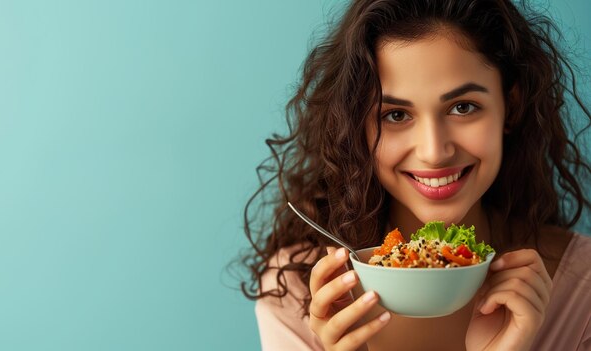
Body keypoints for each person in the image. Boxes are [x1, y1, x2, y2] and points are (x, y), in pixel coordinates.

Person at [237, 0, 591, 350]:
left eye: (462, 107)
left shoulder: (582, 289)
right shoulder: (298, 291)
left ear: (510, 107)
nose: (434, 152)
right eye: (394, 115)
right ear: (355, 128)